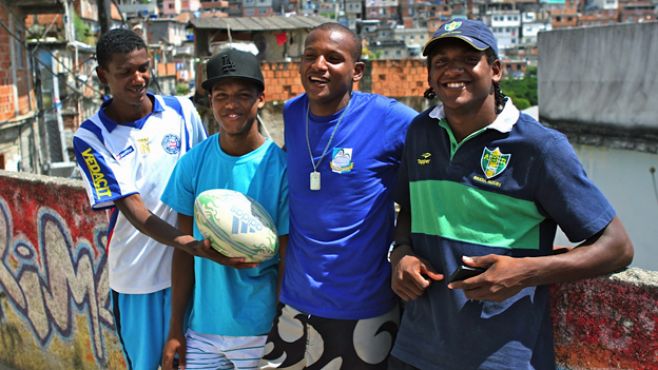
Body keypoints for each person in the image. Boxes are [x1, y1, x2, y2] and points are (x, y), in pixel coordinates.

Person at [388, 18, 634, 370]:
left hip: (501, 355)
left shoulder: (539, 147)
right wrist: (402, 253)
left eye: (468, 59)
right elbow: (409, 209)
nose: (453, 71)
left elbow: (617, 247)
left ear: (497, 69)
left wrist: (524, 272)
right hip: (415, 348)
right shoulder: (421, 131)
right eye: (441, 62)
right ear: (429, 76)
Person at [260, 22, 417, 370]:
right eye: (310, 56)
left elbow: (433, 171)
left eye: (333, 58)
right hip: (294, 304)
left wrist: (404, 245)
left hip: (363, 309)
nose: (319, 65)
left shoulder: (389, 118)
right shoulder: (291, 112)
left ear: (357, 71)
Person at [73, 28, 216, 370]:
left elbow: (204, 177)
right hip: (139, 280)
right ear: (102, 75)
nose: (138, 79)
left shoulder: (181, 111)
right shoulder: (90, 137)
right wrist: (187, 242)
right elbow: (133, 208)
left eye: (144, 68)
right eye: (125, 72)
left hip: (194, 270)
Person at [159, 48, 289, 370]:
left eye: (243, 95)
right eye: (221, 96)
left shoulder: (282, 168)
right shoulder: (193, 162)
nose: (231, 105)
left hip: (260, 330)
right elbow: (183, 248)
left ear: (260, 98)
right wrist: (176, 325)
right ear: (211, 101)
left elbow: (288, 255)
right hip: (202, 329)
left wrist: (281, 327)